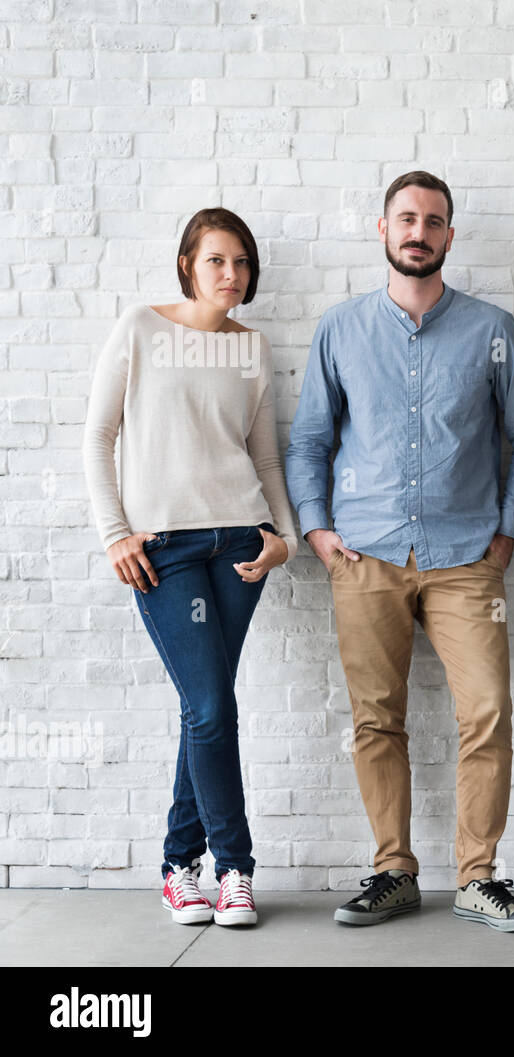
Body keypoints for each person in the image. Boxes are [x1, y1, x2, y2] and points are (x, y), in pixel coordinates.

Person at [286, 171, 514, 931]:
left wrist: (507, 532)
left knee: (488, 711)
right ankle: (393, 869)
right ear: (382, 229)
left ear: (449, 237)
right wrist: (317, 528)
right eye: (406, 218)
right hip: (362, 554)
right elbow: (308, 440)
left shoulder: (492, 330)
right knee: (377, 717)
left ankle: (478, 876)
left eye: (433, 220)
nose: (418, 231)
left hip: (469, 557)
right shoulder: (340, 329)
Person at [83, 207, 297, 928]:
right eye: (216, 261)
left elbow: (265, 455)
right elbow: (98, 435)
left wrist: (284, 537)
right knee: (211, 707)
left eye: (240, 262)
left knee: (203, 709)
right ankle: (233, 866)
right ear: (187, 264)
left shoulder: (252, 348)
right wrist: (115, 533)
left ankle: (180, 865)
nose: (230, 275)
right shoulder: (141, 328)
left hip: (240, 545)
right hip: (164, 550)